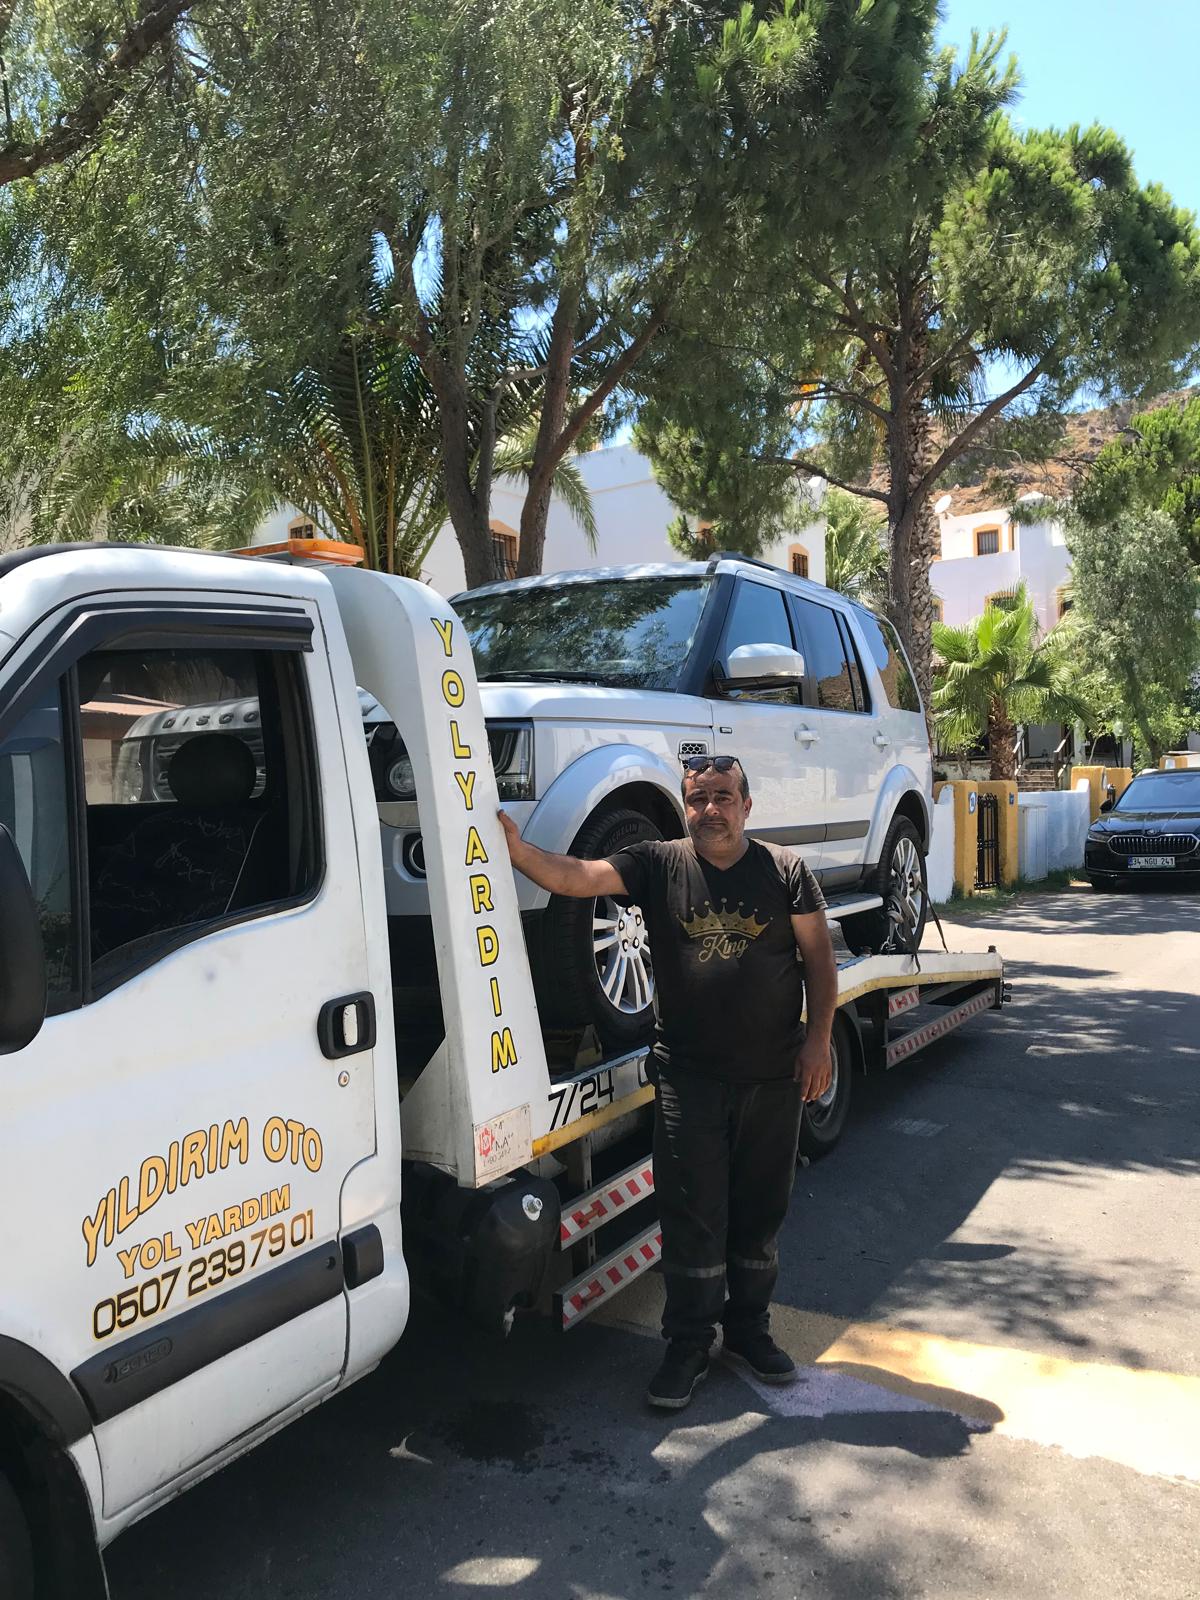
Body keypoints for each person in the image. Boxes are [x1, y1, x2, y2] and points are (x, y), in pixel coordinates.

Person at [498, 753, 838, 1411]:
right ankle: (688, 1344)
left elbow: (820, 961)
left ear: (746, 805)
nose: (710, 809)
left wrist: (819, 1040)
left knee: (760, 1212)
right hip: (689, 1080)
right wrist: (517, 851)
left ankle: (749, 1330)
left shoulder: (785, 871)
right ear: (685, 807)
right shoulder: (657, 864)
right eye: (697, 798)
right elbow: (577, 878)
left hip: (772, 1078)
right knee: (691, 1216)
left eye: (723, 796)